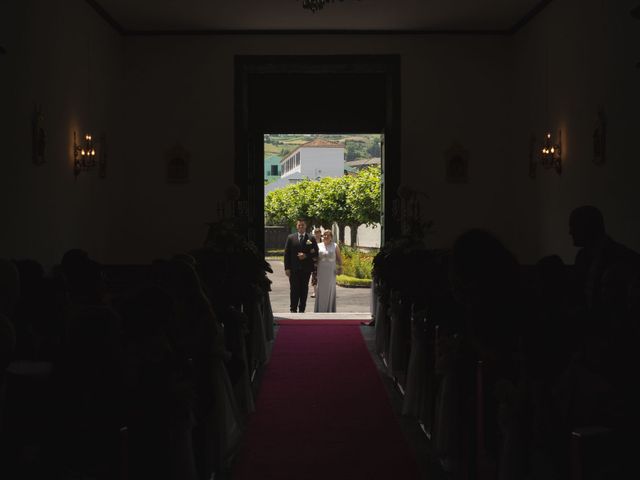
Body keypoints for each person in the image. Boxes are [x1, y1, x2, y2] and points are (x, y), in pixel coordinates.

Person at [284, 219, 318, 313]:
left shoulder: (311, 238)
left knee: (304, 290)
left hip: (306, 269)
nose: (301, 227)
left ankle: (302, 309)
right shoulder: (291, 238)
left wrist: (306, 255)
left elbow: (316, 252)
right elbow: (287, 254)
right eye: (299, 225)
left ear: (305, 226)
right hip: (294, 269)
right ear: (297, 226)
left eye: (302, 225)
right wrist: (287, 268)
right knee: (294, 290)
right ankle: (293, 309)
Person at [314, 230, 343, 313]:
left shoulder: (335, 246)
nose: (326, 236)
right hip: (321, 270)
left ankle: (330, 309)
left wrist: (340, 268)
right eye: (324, 235)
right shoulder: (318, 245)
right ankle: (320, 309)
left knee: (330, 288)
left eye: (328, 235)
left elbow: (339, 258)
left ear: (331, 237)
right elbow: (315, 258)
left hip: (331, 271)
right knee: (321, 289)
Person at [310, 227, 323, 298]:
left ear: (320, 234)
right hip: (314, 261)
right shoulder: (311, 241)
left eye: (318, 233)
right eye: (316, 233)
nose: (317, 235)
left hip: (322, 261)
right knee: (314, 276)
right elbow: (306, 248)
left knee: (322, 276)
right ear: (314, 234)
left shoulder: (323, 241)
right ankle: (314, 292)